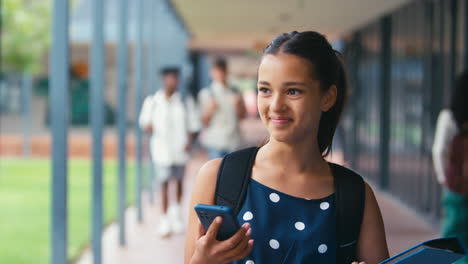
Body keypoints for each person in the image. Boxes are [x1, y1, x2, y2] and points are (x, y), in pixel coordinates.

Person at [184, 31, 389, 264]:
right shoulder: (217, 178)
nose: (276, 105)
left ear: (328, 97)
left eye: (293, 91)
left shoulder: (356, 195)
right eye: (265, 90)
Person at [139, 67, 201, 238]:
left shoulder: (185, 101)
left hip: (180, 150)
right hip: (162, 151)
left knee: (179, 182)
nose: (172, 82)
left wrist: (189, 142)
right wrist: (150, 126)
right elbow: (145, 123)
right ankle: (164, 218)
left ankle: (175, 212)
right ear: (164, 80)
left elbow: (194, 125)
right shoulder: (153, 101)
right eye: (169, 79)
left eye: (175, 79)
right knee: (164, 183)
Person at [432, 70, 468, 264]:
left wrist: (443, 178)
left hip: (456, 184)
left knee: (454, 238)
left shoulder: (450, 116)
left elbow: (439, 150)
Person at [198, 57, 247, 159]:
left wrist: (238, 106)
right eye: (217, 71)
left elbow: (243, 117)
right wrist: (209, 110)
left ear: (226, 72)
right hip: (215, 142)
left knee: (232, 173)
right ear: (211, 73)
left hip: (233, 142)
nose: (220, 74)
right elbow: (203, 122)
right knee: (216, 173)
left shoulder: (235, 92)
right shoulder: (206, 94)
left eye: (222, 71)